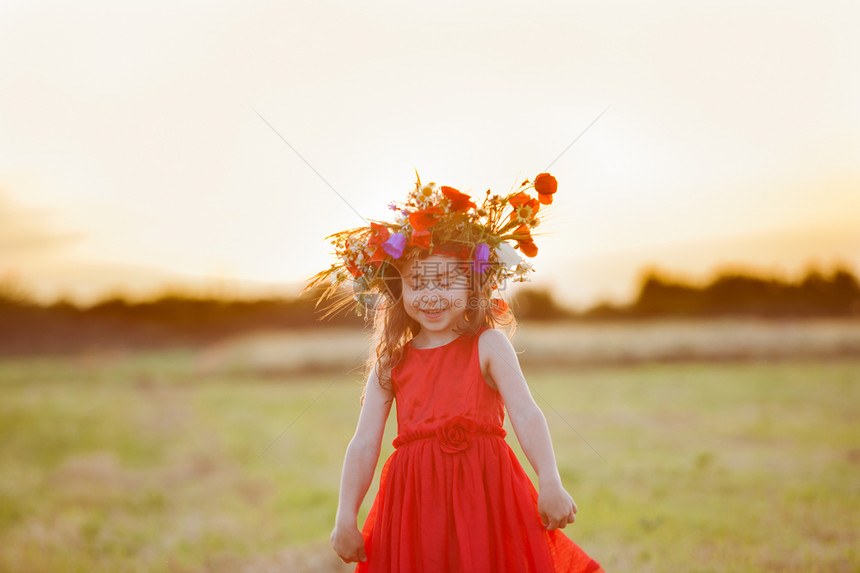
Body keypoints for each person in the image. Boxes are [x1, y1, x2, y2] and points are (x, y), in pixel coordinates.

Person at [304, 173, 604, 572]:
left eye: (447, 282)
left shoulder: (488, 345)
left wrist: (549, 479)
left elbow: (527, 413)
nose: (431, 295)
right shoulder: (391, 362)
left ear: (473, 287)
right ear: (399, 292)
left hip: (487, 495)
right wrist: (346, 517)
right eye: (416, 283)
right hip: (414, 506)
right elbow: (362, 446)